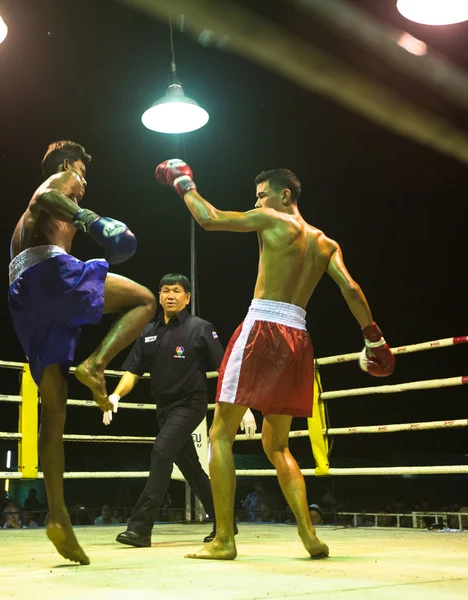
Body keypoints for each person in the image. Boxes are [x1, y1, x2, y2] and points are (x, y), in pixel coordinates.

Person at [155, 160, 395, 560]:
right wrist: (374, 338)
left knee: (220, 435)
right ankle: (310, 536)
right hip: (298, 337)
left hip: (262, 327)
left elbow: (210, 219)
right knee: (278, 445)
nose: (257, 202)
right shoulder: (325, 242)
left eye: (262, 195)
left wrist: (183, 183)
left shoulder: (272, 219)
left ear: (285, 195)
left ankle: (224, 540)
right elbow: (351, 289)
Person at [8, 140, 156, 563]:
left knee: (54, 411)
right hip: (49, 274)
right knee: (144, 300)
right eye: (83, 172)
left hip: (23, 296)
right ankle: (96, 363)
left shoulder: (22, 225)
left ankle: (58, 517)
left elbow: (37, 214)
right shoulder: (64, 180)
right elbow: (47, 195)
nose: (84, 182)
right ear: (72, 164)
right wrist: (88, 217)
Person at [107, 274, 232, 547]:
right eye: (165, 291)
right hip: (163, 409)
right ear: (159, 295)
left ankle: (140, 529)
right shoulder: (148, 332)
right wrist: (115, 395)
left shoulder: (200, 328)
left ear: (187, 297)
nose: (170, 296)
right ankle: (226, 522)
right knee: (192, 470)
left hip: (190, 404)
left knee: (162, 450)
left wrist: (239, 407)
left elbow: (223, 369)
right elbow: (133, 372)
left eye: (176, 291)